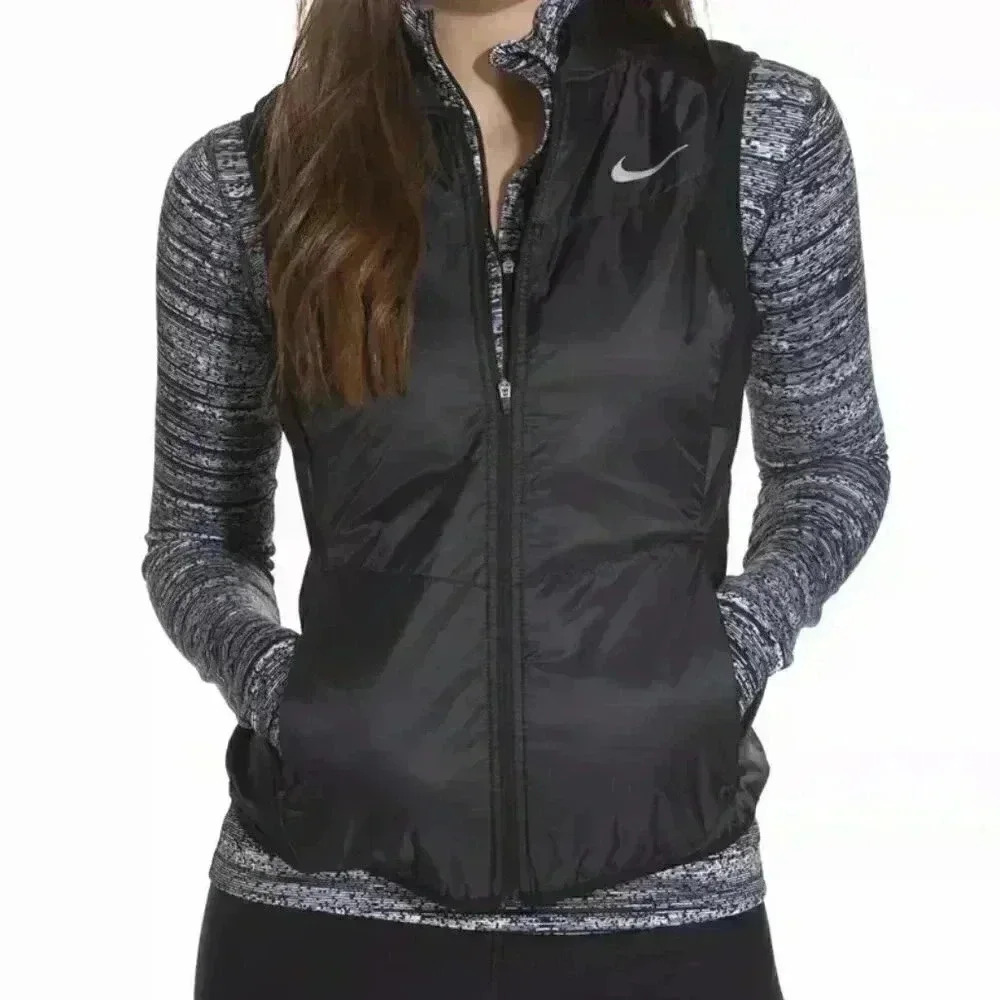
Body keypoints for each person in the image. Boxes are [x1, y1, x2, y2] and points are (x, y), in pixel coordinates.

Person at [142, 0, 891, 996]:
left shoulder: (752, 132)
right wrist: (302, 701)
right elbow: (197, 533)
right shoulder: (252, 176)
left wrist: (715, 661)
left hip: (661, 906)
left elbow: (832, 467)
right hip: (323, 909)